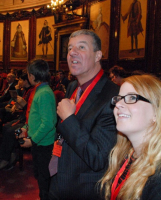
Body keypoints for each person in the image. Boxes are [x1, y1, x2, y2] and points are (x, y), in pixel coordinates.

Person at [48, 29, 119, 200]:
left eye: (81, 47)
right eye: (70, 48)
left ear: (97, 55)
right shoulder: (73, 87)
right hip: (60, 176)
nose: (72, 52)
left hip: (83, 189)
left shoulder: (113, 96)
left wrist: (69, 119)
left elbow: (98, 158)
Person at [99, 74, 161, 200]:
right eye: (119, 98)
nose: (118, 104)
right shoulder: (129, 154)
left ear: (156, 113)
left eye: (131, 97)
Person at [17, 59, 56, 200]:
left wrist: (32, 140)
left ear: (32, 76)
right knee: (40, 175)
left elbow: (48, 123)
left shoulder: (44, 93)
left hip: (43, 144)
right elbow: (35, 116)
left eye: (28, 74)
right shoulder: (40, 90)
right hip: (39, 142)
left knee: (44, 178)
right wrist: (25, 129)